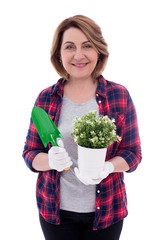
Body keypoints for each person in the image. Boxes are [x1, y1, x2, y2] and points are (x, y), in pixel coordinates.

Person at [23, 15, 142, 240]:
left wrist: (107, 167)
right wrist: (50, 161)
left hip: (108, 210)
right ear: (59, 54)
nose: (79, 55)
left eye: (87, 45)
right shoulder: (47, 98)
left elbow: (133, 154)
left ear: (98, 51)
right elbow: (30, 153)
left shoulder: (119, 95)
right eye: (70, 47)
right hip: (55, 211)